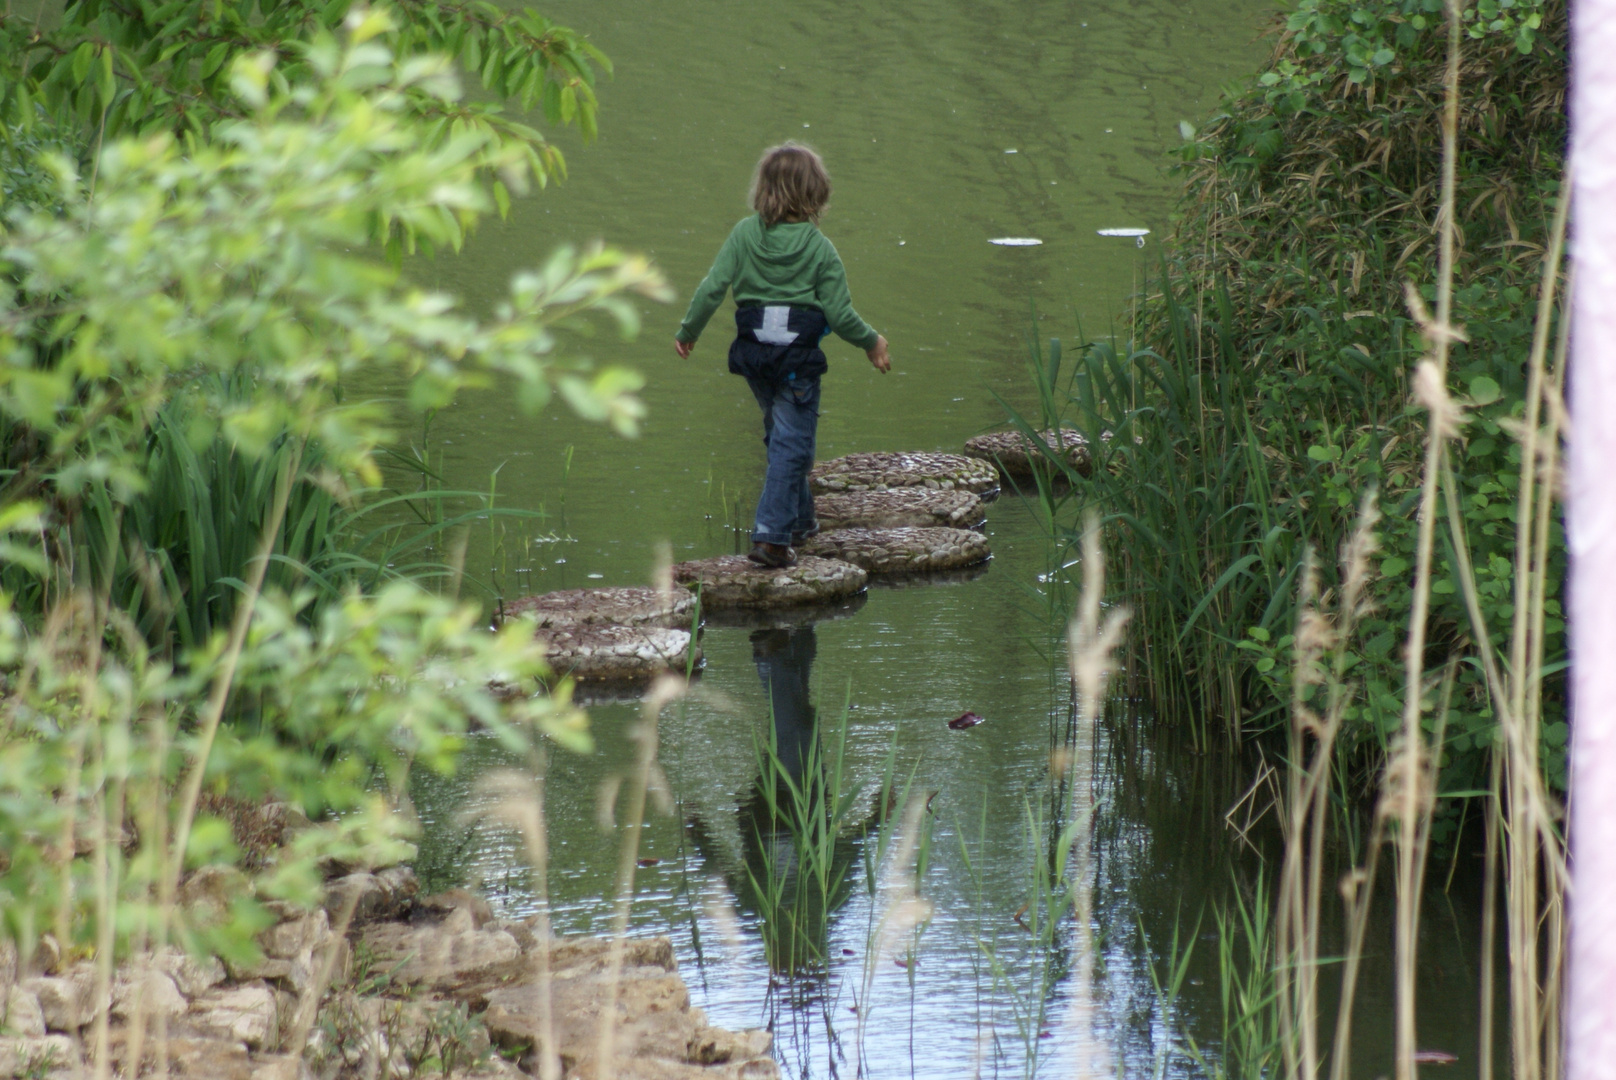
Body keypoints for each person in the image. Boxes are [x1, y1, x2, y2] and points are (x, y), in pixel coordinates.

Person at [674, 142, 890, 569]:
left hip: (755, 356)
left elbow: (712, 288)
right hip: (796, 365)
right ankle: (772, 538)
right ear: (815, 194)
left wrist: (689, 331)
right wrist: (872, 342)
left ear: (764, 190)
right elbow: (840, 315)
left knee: (786, 438)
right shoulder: (819, 249)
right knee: (792, 445)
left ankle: (801, 522)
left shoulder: (743, 234)